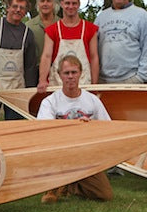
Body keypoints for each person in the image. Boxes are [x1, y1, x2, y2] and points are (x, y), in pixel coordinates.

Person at [37, 55, 113, 203]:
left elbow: (107, 128)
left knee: (105, 195)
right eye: (66, 73)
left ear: (81, 73)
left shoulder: (92, 100)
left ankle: (69, 186)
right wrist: (76, 126)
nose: (70, 77)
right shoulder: (50, 102)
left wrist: (90, 127)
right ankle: (56, 184)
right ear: (59, 75)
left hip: (85, 156)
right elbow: (44, 132)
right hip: (59, 156)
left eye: (74, 72)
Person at [95, 0, 147, 84]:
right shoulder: (101, 17)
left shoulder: (141, 16)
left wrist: (140, 77)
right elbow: (93, 49)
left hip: (131, 80)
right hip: (103, 81)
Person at [37, 0, 99, 93]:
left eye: (74, 3)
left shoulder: (90, 28)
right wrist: (42, 80)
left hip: (84, 85)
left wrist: (94, 85)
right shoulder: (52, 30)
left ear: (79, 4)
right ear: (61, 4)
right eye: (67, 3)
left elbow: (94, 57)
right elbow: (46, 56)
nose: (70, 6)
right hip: (58, 86)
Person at [26, 0, 61, 74]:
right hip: (34, 71)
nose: (45, 4)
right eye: (42, 1)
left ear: (55, 4)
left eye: (48, 1)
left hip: (58, 70)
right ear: (38, 4)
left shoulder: (61, 24)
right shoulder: (28, 26)